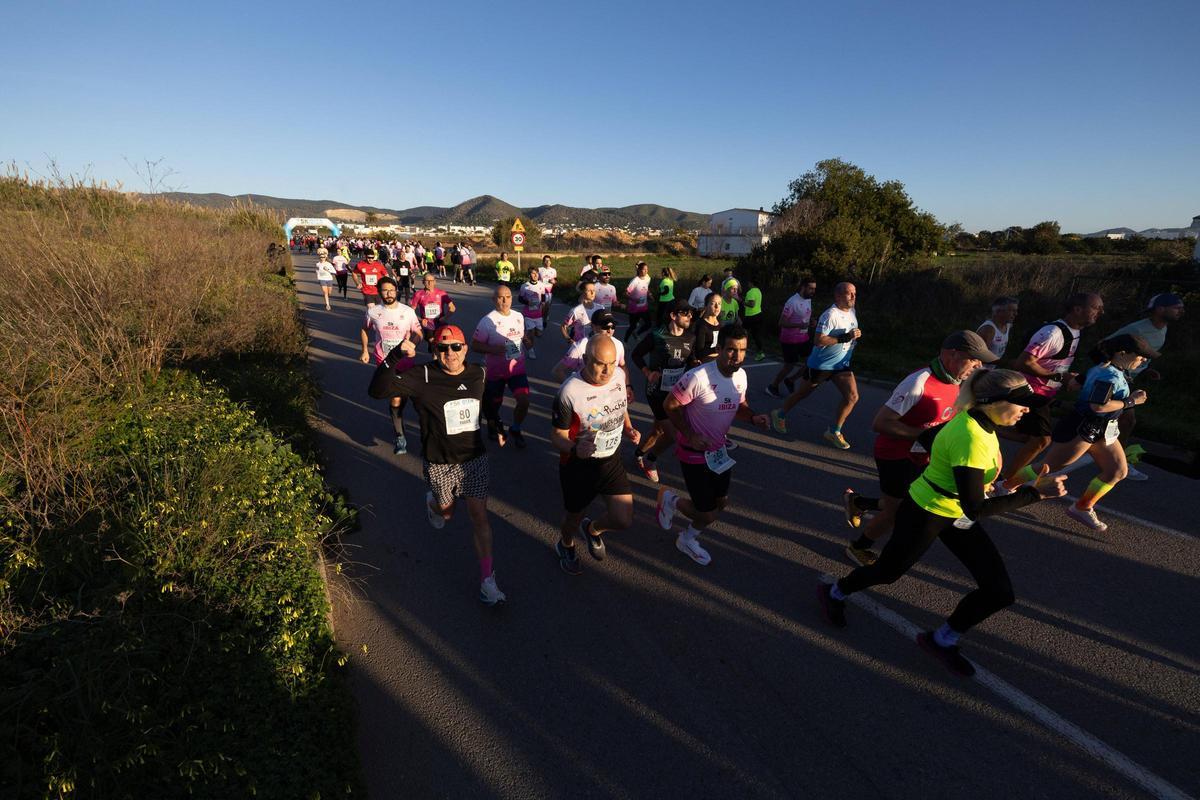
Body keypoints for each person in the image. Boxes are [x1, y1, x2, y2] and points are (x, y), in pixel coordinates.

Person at [817, 369, 1067, 677]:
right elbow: (975, 508)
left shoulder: (981, 423)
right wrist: (1035, 495)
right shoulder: (971, 437)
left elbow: (971, 480)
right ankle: (835, 592)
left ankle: (942, 639)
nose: (1027, 410)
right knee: (887, 572)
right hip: (927, 511)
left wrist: (1021, 478)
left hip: (954, 513)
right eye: (1022, 404)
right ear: (993, 402)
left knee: (999, 591)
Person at [367, 325, 507, 605]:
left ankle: (487, 581)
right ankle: (434, 503)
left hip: (474, 458)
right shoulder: (423, 376)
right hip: (439, 461)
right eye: (443, 348)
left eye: (456, 347)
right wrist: (394, 356)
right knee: (446, 513)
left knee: (479, 516)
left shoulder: (477, 373)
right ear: (434, 350)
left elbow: (487, 403)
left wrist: (496, 425)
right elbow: (376, 391)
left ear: (465, 348)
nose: (450, 353)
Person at [843, 331, 997, 567]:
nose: (978, 365)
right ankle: (858, 547)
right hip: (895, 456)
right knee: (898, 513)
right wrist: (928, 436)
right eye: (974, 359)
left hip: (923, 456)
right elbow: (881, 423)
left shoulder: (960, 383)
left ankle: (860, 503)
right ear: (952, 354)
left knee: (908, 504)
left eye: (981, 361)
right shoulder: (918, 382)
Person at [1010, 334, 1157, 532]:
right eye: (1140, 356)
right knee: (1048, 466)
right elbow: (1097, 406)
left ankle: (1082, 507)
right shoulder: (1109, 375)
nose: (1143, 360)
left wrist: (1082, 380)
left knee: (1117, 471)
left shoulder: (1110, 370)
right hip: (1084, 428)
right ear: (1122, 353)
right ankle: (1005, 487)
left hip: (1104, 430)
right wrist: (1131, 401)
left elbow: (1074, 385)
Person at [656, 325, 770, 566]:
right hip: (693, 452)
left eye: (742, 350)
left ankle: (687, 537)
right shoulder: (697, 377)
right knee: (706, 513)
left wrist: (753, 417)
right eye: (731, 350)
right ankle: (672, 503)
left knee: (721, 503)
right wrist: (689, 433)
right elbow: (670, 405)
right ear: (719, 349)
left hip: (718, 452)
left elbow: (739, 406)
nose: (737, 357)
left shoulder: (741, 376)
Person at [550, 337, 641, 575]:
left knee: (623, 519)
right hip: (579, 465)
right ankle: (566, 544)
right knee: (573, 517)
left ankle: (593, 529)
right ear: (585, 360)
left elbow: (620, 406)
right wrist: (574, 448)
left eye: (611, 363)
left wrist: (628, 427)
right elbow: (556, 435)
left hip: (610, 459)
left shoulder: (619, 376)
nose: (606, 370)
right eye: (600, 364)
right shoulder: (569, 392)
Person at [998, 292, 1104, 489]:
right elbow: (1024, 362)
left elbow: (1052, 364)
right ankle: (1005, 482)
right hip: (1029, 390)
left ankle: (988, 426)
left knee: (1026, 437)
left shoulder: (1075, 331)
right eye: (1096, 308)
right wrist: (1057, 377)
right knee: (1041, 440)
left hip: (1044, 391)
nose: (1100, 312)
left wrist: (1066, 378)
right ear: (1077, 309)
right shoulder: (1053, 333)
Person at [770, 281, 862, 450]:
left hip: (841, 365)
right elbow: (818, 340)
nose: (854, 297)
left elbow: (849, 334)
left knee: (852, 397)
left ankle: (834, 431)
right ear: (838, 296)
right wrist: (844, 337)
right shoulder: (830, 315)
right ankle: (779, 414)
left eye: (855, 293)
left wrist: (853, 336)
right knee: (802, 394)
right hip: (821, 365)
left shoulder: (852, 312)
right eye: (850, 294)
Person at [1103, 292, 1185, 479]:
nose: (1181, 310)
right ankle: (1118, 462)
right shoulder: (1137, 329)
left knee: (1108, 418)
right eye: (1177, 307)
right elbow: (1103, 346)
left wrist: (1143, 370)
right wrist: (1111, 372)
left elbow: (1139, 355)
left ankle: (1101, 453)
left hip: (1127, 378)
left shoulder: (1162, 329)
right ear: (1160, 309)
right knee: (1127, 420)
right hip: (1115, 378)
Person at [631, 299, 696, 482]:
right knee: (672, 434)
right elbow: (636, 354)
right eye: (685, 313)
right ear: (673, 316)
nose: (690, 316)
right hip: (657, 392)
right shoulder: (657, 335)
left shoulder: (690, 337)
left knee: (658, 430)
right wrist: (647, 371)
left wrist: (694, 364)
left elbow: (690, 359)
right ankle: (650, 460)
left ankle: (638, 453)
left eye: (691, 313)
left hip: (676, 392)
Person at [360, 277, 424, 455]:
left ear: (396, 290)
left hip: (407, 363)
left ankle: (403, 419)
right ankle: (400, 436)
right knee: (395, 398)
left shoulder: (408, 311)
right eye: (384, 290)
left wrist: (413, 344)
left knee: (413, 399)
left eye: (391, 290)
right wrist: (365, 350)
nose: (388, 294)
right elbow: (365, 329)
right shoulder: (373, 312)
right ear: (379, 292)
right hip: (385, 362)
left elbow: (418, 333)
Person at [471, 285, 533, 449]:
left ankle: (516, 428)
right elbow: (475, 346)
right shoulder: (487, 321)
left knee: (524, 401)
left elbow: (523, 338)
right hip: (495, 372)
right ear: (494, 299)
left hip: (517, 370)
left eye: (507, 296)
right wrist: (494, 349)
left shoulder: (519, 316)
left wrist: (527, 342)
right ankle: (493, 424)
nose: (505, 300)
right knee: (494, 405)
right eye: (500, 297)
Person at [766, 277, 817, 398]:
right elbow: (781, 323)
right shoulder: (792, 302)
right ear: (803, 287)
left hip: (803, 337)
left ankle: (791, 380)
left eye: (814, 289)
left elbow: (804, 317)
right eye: (810, 288)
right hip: (789, 339)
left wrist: (812, 322)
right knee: (789, 365)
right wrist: (800, 325)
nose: (813, 291)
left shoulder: (808, 300)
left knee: (813, 360)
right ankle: (772, 386)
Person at [553, 279, 599, 381]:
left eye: (594, 290)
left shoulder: (600, 308)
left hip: (596, 346)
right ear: (583, 292)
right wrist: (569, 339)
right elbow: (563, 326)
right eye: (589, 290)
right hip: (582, 348)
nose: (592, 292)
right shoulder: (576, 311)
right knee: (584, 375)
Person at [412, 273, 456, 348]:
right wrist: (420, 320)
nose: (429, 283)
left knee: (440, 345)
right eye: (427, 281)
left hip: (440, 324)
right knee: (433, 342)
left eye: (431, 281)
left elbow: (452, 307)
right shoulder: (418, 294)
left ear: (435, 282)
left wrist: (445, 318)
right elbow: (411, 311)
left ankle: (436, 356)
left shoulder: (441, 293)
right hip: (428, 325)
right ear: (423, 282)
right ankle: (435, 354)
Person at [517, 265, 548, 359]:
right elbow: (520, 299)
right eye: (533, 273)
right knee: (531, 333)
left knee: (538, 333)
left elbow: (543, 297)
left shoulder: (541, 285)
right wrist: (527, 302)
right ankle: (531, 350)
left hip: (538, 315)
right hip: (528, 315)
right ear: (529, 275)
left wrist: (543, 304)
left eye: (536, 273)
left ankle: (524, 339)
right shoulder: (524, 286)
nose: (535, 275)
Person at [976, 296, 1019, 364]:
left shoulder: (1008, 325)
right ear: (998, 311)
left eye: (1016, 311)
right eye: (1012, 311)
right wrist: (1008, 363)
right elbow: (981, 357)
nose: (1015, 314)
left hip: (991, 370)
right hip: (979, 371)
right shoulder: (988, 330)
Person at [624, 261, 653, 342]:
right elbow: (625, 293)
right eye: (644, 269)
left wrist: (649, 295)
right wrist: (634, 299)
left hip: (644, 307)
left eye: (647, 269)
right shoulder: (635, 281)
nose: (646, 271)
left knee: (649, 324)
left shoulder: (648, 278)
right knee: (632, 326)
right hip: (634, 308)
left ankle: (637, 333)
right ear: (639, 270)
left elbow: (646, 288)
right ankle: (625, 341)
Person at [692, 291, 723, 364]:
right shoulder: (701, 325)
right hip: (707, 364)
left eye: (719, 304)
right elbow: (699, 351)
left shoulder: (720, 324)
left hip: (719, 362)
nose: (717, 306)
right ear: (706, 306)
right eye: (713, 303)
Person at [741, 276, 766, 361]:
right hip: (759, 314)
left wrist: (742, 302)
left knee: (742, 333)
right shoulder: (758, 291)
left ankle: (742, 350)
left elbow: (752, 304)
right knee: (756, 335)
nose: (748, 284)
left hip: (751, 316)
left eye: (749, 282)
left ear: (751, 283)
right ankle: (760, 353)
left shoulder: (750, 292)